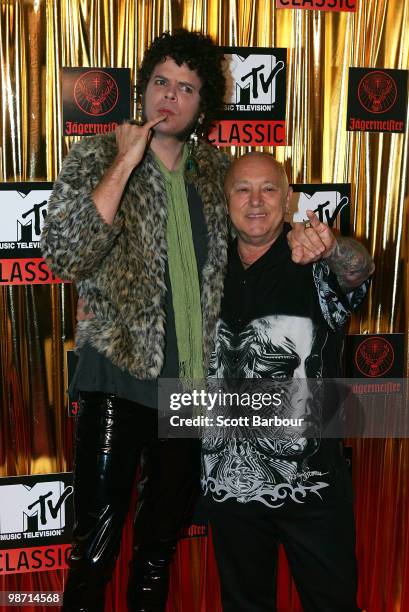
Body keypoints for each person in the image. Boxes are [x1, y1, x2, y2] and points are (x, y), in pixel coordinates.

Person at [41, 30, 229, 612]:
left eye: (186, 89)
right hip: (119, 376)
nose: (168, 98)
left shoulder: (217, 174)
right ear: (143, 87)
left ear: (204, 106)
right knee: (94, 550)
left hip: (190, 388)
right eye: (160, 83)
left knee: (157, 552)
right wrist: (126, 158)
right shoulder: (99, 153)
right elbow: (66, 253)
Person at [201, 152, 374, 612]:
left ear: (290, 198)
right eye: (242, 189)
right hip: (229, 486)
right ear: (225, 200)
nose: (256, 201)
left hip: (313, 486)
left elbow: (360, 269)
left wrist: (332, 248)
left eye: (269, 189)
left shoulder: (315, 264)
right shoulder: (203, 272)